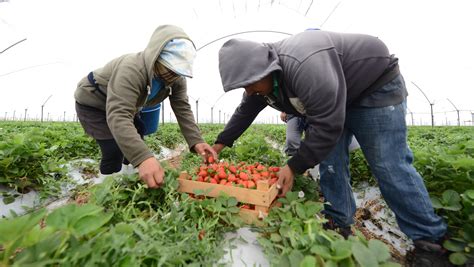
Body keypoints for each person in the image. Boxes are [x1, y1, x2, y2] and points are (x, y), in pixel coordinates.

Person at [212, 30, 450, 266]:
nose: (248, 91)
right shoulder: (261, 80)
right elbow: (245, 111)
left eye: (249, 84)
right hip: (336, 97)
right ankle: (339, 223)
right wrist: (219, 144)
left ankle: (430, 241)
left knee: (388, 164)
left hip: (373, 87)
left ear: (265, 69)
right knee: (330, 163)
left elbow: (327, 126)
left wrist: (293, 166)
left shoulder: (304, 65)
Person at [74, 25, 217, 189]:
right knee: (113, 148)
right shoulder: (132, 69)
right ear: (156, 57)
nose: (173, 75)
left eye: (178, 71)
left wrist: (196, 141)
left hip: (125, 105)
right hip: (94, 103)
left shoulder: (176, 79)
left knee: (136, 139)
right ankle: (105, 193)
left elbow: (182, 108)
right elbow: (119, 115)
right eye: (169, 68)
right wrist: (143, 158)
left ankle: (128, 185)